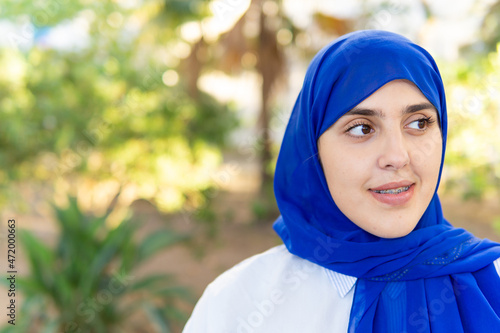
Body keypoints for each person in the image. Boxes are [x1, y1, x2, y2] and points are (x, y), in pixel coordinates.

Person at [182, 30, 500, 332]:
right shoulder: (239, 307)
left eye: (418, 122)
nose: (397, 156)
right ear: (313, 147)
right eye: (362, 128)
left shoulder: (492, 280)